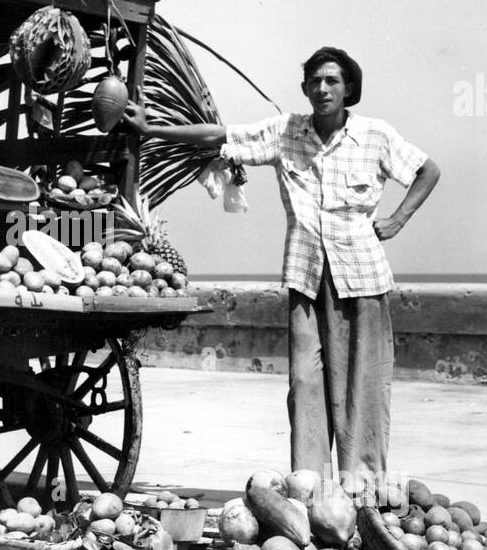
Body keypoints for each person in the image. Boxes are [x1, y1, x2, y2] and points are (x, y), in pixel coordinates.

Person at [123, 47, 439, 476]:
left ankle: (362, 485)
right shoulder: (285, 131)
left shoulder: (375, 135)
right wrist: (152, 129)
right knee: (305, 383)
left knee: (362, 385)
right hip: (305, 277)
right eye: (315, 81)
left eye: (332, 81)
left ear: (349, 89)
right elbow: (221, 136)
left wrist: (399, 219)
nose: (323, 88)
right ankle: (309, 485)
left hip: (362, 275)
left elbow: (427, 170)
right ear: (305, 88)